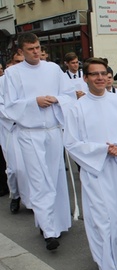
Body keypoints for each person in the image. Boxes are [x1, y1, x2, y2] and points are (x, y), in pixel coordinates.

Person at [63, 58, 117, 270]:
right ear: (85, 78)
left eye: (103, 73)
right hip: (94, 170)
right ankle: (107, 269)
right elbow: (71, 143)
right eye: (93, 74)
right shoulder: (77, 108)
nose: (99, 77)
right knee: (100, 221)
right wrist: (102, 150)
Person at [3, 33, 76, 250]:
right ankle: (48, 231)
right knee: (38, 179)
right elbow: (9, 105)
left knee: (55, 176)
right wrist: (34, 102)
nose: (36, 52)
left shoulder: (53, 69)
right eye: (30, 49)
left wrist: (56, 99)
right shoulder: (12, 73)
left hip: (53, 131)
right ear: (21, 51)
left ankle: (59, 222)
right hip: (30, 132)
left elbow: (69, 95)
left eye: (37, 47)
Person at [0, 51, 31, 214]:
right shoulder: (2, 82)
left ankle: (33, 200)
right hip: (10, 129)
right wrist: (16, 116)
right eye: (16, 61)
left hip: (30, 129)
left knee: (31, 167)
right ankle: (15, 195)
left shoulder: (28, 80)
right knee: (14, 169)